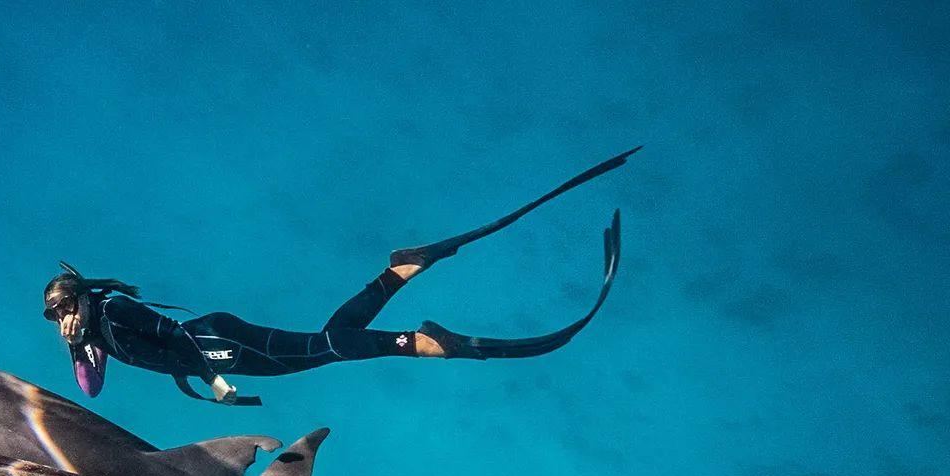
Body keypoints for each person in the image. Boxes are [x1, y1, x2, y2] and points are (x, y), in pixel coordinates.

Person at [42, 148, 637, 404]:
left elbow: (173, 344)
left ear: (83, 296)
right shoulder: (99, 332)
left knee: (324, 349)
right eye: (55, 316)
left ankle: (421, 341)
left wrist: (213, 373)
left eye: (64, 307)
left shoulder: (113, 314)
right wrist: (84, 345)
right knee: (324, 347)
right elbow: (96, 386)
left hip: (215, 342)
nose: (62, 319)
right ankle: (400, 276)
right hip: (211, 348)